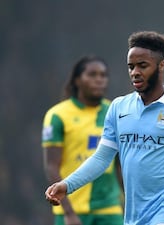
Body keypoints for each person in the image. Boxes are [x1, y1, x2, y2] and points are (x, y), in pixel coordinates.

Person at [45, 31, 164, 225]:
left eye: (142, 66)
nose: (135, 72)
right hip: (134, 215)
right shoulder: (118, 107)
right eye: (131, 66)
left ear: (162, 66)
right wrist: (67, 185)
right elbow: (102, 158)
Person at [42, 55, 124, 225]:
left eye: (103, 75)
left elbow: (120, 165)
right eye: (92, 75)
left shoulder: (115, 112)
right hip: (73, 209)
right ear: (77, 80)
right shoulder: (58, 115)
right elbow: (52, 166)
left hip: (109, 209)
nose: (99, 80)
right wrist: (69, 213)